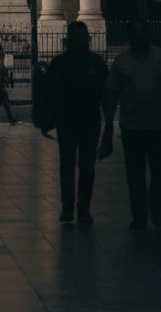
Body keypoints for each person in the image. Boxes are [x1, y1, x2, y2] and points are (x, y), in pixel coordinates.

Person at [100, 18, 161, 230]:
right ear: (129, 36)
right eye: (135, 32)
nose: (139, 36)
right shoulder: (121, 61)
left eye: (142, 31)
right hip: (132, 127)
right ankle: (139, 215)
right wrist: (109, 123)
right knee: (135, 174)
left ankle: (156, 208)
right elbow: (111, 93)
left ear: (149, 34)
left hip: (160, 126)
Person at [47, 21, 109, 224]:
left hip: (91, 121)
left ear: (88, 39)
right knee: (67, 165)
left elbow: (106, 96)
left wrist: (109, 126)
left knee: (87, 166)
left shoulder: (98, 64)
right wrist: (47, 119)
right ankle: (67, 208)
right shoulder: (58, 64)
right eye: (74, 36)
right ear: (68, 40)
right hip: (66, 122)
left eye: (81, 36)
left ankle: (83, 208)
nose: (78, 40)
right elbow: (49, 96)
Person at [0, 48, 18, 126]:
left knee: (0, 104)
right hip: (1, 88)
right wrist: (8, 79)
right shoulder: (1, 65)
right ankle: (11, 120)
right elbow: (4, 77)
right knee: (5, 104)